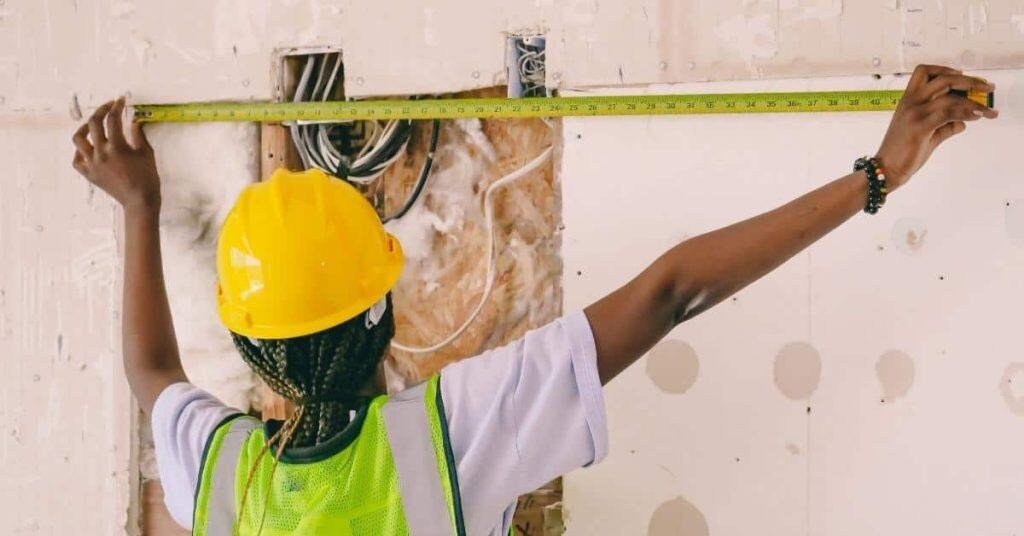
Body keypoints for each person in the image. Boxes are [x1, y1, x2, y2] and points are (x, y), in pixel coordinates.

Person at [71, 65, 996, 535]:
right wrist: (879, 176)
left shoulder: (221, 474)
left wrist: (139, 200)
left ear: (248, 337)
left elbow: (149, 371)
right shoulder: (450, 433)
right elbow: (672, 292)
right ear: (380, 309)